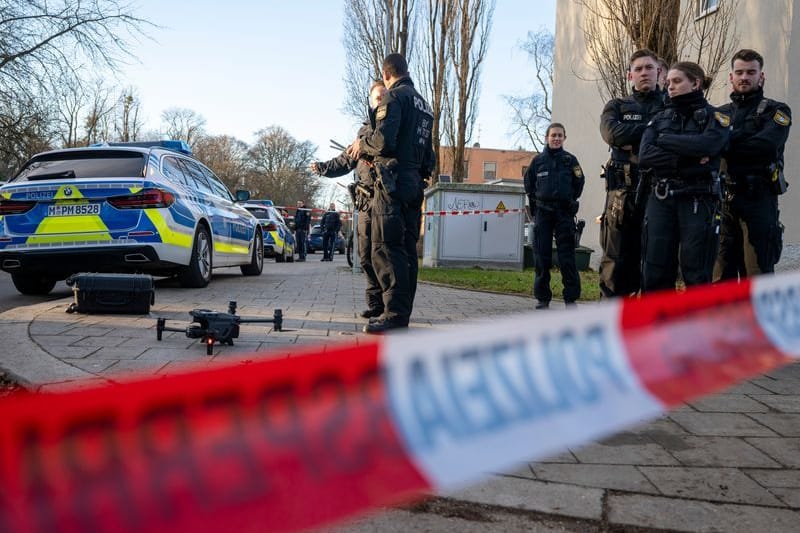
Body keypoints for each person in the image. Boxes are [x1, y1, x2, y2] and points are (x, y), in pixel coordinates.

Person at [347, 52, 435, 333]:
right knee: (408, 249)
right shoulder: (425, 105)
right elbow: (428, 154)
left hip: (392, 182)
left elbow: (384, 140)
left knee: (386, 247)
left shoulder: (394, 98)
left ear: (386, 75)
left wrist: (363, 144)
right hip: (414, 183)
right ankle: (402, 312)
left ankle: (394, 314)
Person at [639, 61, 731, 292]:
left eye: (677, 81)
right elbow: (645, 155)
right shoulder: (659, 119)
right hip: (661, 198)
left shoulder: (716, 117)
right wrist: (686, 160)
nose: (670, 86)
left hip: (698, 199)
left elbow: (708, 146)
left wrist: (664, 140)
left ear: (696, 83)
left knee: (696, 269)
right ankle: (657, 326)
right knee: (655, 269)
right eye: (668, 82)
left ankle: (696, 327)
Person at [311, 80, 388, 318]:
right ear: (370, 101)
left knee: (383, 255)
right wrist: (322, 168)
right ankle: (375, 304)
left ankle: (389, 305)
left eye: (384, 98)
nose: (381, 102)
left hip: (386, 200)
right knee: (365, 255)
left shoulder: (392, 127)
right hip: (365, 202)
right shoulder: (363, 132)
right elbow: (345, 161)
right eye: (377, 98)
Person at [714, 49, 792, 281]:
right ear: (731, 77)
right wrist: (741, 140)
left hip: (759, 201)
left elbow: (766, 147)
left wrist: (726, 141)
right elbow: (707, 148)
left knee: (758, 278)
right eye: (739, 72)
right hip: (724, 203)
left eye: (751, 72)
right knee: (720, 279)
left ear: (761, 76)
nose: (744, 77)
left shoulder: (776, 110)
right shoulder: (718, 114)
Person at [598, 49, 665, 298]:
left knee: (655, 263)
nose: (644, 73)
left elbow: (674, 140)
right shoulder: (616, 106)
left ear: (659, 72)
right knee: (614, 264)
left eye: (649, 67)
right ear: (630, 75)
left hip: (658, 195)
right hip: (621, 197)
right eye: (638, 69)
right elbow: (612, 134)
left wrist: (632, 137)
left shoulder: (671, 106)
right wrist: (652, 132)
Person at [524, 123, 584, 309]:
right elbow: (529, 184)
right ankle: (543, 297)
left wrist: (570, 199)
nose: (556, 138)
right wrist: (536, 204)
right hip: (543, 213)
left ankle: (570, 298)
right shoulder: (537, 162)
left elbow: (579, 182)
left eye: (560, 135)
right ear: (546, 138)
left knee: (567, 257)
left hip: (564, 213)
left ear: (564, 138)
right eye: (553, 135)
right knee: (542, 256)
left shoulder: (571, 161)